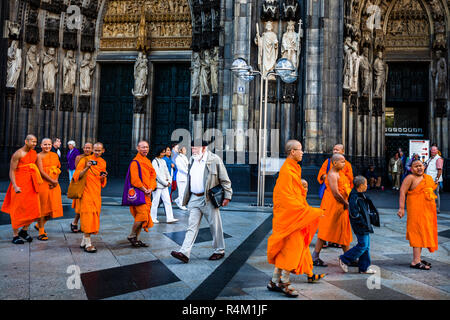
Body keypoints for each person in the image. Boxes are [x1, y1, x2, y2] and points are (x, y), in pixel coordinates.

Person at [267, 140, 325, 298]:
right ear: (292, 152)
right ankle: (284, 282)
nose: (302, 152)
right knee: (293, 248)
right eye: (300, 150)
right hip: (289, 217)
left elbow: (294, 195)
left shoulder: (293, 168)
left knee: (286, 249)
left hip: (292, 217)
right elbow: (285, 199)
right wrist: (309, 211)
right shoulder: (287, 170)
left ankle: (274, 281)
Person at [171, 140, 232, 263]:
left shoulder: (214, 160)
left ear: (204, 148)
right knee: (191, 226)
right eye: (192, 148)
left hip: (208, 198)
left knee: (215, 226)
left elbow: (225, 179)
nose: (193, 151)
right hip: (194, 198)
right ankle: (184, 252)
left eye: (195, 148)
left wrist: (227, 196)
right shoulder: (192, 160)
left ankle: (219, 250)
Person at [313, 153, 353, 267]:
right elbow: (335, 193)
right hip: (332, 206)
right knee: (325, 230)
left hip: (341, 207)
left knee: (344, 230)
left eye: (344, 161)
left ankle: (348, 257)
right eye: (342, 161)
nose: (344, 164)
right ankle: (315, 256)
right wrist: (346, 203)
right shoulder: (332, 174)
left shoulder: (340, 173)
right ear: (334, 163)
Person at [398, 159, 438, 270]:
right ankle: (415, 261)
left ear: (424, 167)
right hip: (415, 211)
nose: (419, 168)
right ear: (411, 168)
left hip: (426, 212)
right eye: (416, 166)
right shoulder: (410, 178)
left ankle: (418, 259)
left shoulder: (427, 178)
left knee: (422, 234)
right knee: (416, 234)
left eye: (420, 165)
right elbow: (402, 191)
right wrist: (401, 208)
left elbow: (430, 188)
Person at [2, 135, 42, 244]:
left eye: (36, 142)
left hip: (31, 184)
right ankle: (15, 235)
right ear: (26, 141)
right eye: (33, 141)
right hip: (19, 184)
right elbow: (12, 171)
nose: (34, 144)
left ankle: (24, 231)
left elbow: (38, 169)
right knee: (17, 209)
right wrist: (15, 186)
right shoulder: (18, 154)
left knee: (32, 208)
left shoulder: (34, 154)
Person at [73, 142, 107, 253]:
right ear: (93, 150)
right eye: (95, 150)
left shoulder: (102, 162)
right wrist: (86, 168)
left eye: (99, 150)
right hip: (86, 192)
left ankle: (84, 240)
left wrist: (103, 177)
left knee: (94, 215)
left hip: (96, 193)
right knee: (87, 215)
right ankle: (88, 243)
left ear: (103, 151)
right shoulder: (84, 160)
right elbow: (77, 175)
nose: (97, 152)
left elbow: (101, 180)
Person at [317, 144, 353, 248]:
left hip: (342, 198)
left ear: (342, 151)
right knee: (327, 222)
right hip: (332, 198)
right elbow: (322, 174)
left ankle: (336, 242)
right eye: (334, 149)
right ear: (335, 162)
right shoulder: (329, 164)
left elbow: (350, 179)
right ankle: (322, 245)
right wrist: (327, 178)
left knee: (339, 225)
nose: (335, 151)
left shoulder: (347, 165)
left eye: (337, 149)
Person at [338, 176, 377, 274]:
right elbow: (354, 214)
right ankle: (344, 258)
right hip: (361, 225)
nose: (367, 185)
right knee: (362, 245)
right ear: (361, 185)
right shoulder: (354, 196)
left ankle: (364, 268)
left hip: (365, 224)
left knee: (366, 246)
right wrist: (363, 223)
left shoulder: (360, 195)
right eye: (366, 184)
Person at [127, 141, 157, 247]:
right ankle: (131, 235)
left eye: (147, 147)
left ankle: (136, 238)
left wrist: (151, 188)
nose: (145, 149)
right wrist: (145, 190)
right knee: (142, 215)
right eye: (143, 147)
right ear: (137, 148)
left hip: (147, 192)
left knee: (143, 216)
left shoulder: (147, 161)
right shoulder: (135, 162)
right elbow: (135, 180)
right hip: (139, 193)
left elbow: (153, 176)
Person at [35, 138, 64, 241]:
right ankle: (41, 231)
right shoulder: (38, 156)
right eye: (45, 144)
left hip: (54, 184)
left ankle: (39, 225)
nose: (47, 146)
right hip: (43, 183)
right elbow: (41, 171)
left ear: (52, 145)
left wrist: (55, 181)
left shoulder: (55, 155)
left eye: (49, 144)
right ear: (41, 145)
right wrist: (52, 181)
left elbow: (57, 169)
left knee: (53, 208)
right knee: (43, 208)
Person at [151, 146, 178, 224]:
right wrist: (166, 183)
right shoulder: (154, 161)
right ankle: (153, 217)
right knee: (155, 201)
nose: (164, 153)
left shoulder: (163, 161)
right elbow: (157, 175)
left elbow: (167, 172)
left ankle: (170, 217)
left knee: (167, 201)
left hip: (165, 185)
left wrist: (169, 181)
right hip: (158, 186)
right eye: (162, 152)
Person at [70, 142, 93, 233]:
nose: (87, 149)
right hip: (82, 182)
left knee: (87, 206)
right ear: (83, 148)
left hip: (91, 184)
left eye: (89, 148)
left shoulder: (93, 158)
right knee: (80, 206)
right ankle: (75, 222)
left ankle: (83, 224)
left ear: (92, 149)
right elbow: (77, 170)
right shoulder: (79, 157)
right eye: (85, 147)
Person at [424, 146, 444, 213]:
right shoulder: (431, 158)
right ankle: (430, 208)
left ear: (437, 151)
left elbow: (440, 170)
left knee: (435, 194)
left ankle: (437, 209)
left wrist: (437, 179)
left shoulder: (438, 159)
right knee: (429, 194)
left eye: (434, 150)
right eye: (432, 150)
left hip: (434, 180)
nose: (432, 152)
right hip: (428, 179)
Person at [175, 146, 189, 210]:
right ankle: (181, 204)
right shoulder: (178, 158)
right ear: (180, 151)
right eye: (184, 149)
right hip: (181, 176)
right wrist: (187, 172)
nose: (185, 150)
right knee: (181, 191)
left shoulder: (185, 157)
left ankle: (178, 200)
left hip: (185, 176)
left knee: (185, 191)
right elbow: (180, 168)